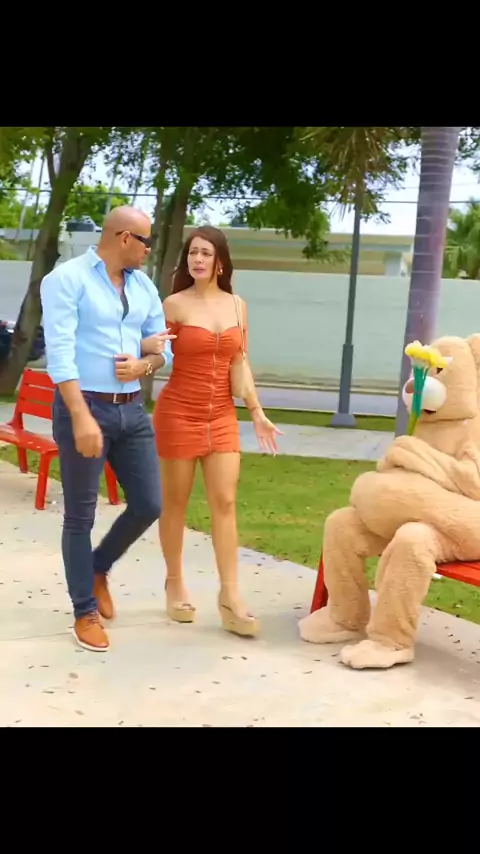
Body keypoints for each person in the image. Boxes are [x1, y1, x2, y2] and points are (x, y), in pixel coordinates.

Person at [40, 205, 174, 653]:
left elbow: (164, 349)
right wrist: (80, 416)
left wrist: (143, 363)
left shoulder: (143, 286)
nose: (149, 250)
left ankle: (97, 566)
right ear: (124, 238)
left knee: (149, 503)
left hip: (131, 409)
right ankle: (84, 611)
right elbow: (61, 354)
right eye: (146, 242)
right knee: (80, 515)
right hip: (86, 405)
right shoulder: (66, 279)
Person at [143, 225, 282, 638]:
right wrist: (146, 350)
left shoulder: (238, 306)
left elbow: (240, 362)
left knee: (225, 501)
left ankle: (230, 596)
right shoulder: (174, 304)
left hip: (221, 415)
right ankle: (174, 583)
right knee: (176, 503)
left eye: (205, 253)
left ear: (220, 260)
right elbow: (158, 354)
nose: (197, 260)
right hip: (178, 413)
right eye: (192, 253)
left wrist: (256, 411)